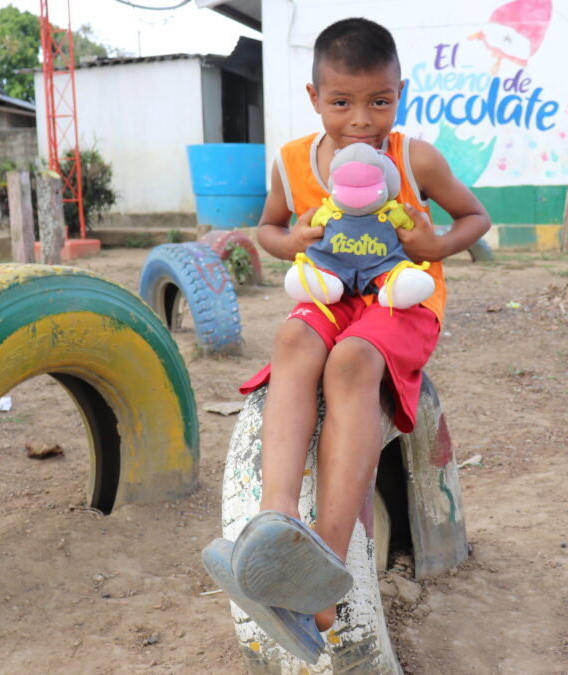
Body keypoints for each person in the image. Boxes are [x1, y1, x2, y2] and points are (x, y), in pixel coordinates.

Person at [202, 17, 491, 664]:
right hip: (330, 293)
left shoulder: (414, 158)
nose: (362, 120)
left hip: (398, 300)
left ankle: (324, 566)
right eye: (342, 102)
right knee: (293, 346)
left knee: (353, 365)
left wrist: (434, 245)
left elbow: (476, 215)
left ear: (400, 93)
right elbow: (266, 229)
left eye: (379, 101)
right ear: (314, 99)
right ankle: (273, 525)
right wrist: (294, 238)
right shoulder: (294, 160)